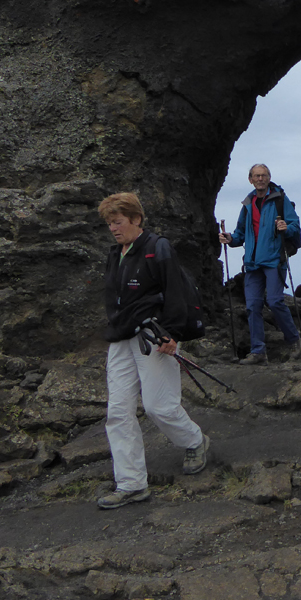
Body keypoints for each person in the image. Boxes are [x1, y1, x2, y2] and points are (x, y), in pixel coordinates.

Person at [97, 192, 209, 509]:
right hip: (120, 338)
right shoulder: (115, 253)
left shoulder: (157, 248)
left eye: (117, 222)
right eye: (109, 224)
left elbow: (176, 291)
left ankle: (195, 441)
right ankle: (131, 485)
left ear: (136, 219)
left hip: (154, 334)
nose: (113, 229)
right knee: (118, 412)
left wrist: (172, 333)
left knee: (158, 406)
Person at [219, 164, 301, 364]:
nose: (260, 179)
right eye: (256, 176)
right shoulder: (248, 204)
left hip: (274, 260)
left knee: (275, 301)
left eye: (263, 175)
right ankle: (258, 351)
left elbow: (295, 226)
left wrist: (286, 227)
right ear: (250, 179)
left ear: (269, 178)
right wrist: (229, 238)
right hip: (252, 263)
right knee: (252, 306)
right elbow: (240, 234)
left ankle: (293, 341)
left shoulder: (280, 200)